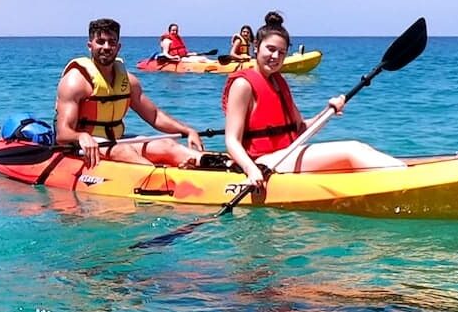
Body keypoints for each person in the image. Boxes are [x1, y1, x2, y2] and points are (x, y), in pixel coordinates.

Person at [223, 11, 404, 188]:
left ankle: (401, 172)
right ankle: (405, 179)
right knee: (350, 150)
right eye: (270, 49)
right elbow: (232, 140)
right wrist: (251, 169)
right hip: (263, 162)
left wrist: (328, 111)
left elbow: (301, 129)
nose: (276, 57)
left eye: (282, 52)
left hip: (286, 155)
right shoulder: (243, 84)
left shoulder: (279, 82)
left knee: (361, 148)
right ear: (257, 46)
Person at [55, 18, 205, 168]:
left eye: (112, 42)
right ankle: (161, 175)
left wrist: (188, 130)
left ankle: (213, 163)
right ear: (90, 46)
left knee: (167, 145)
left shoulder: (129, 82)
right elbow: (62, 134)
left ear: (118, 47)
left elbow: (154, 116)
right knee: (123, 150)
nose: (106, 47)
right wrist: (81, 136)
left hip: (116, 140)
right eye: (100, 42)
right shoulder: (75, 82)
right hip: (82, 146)